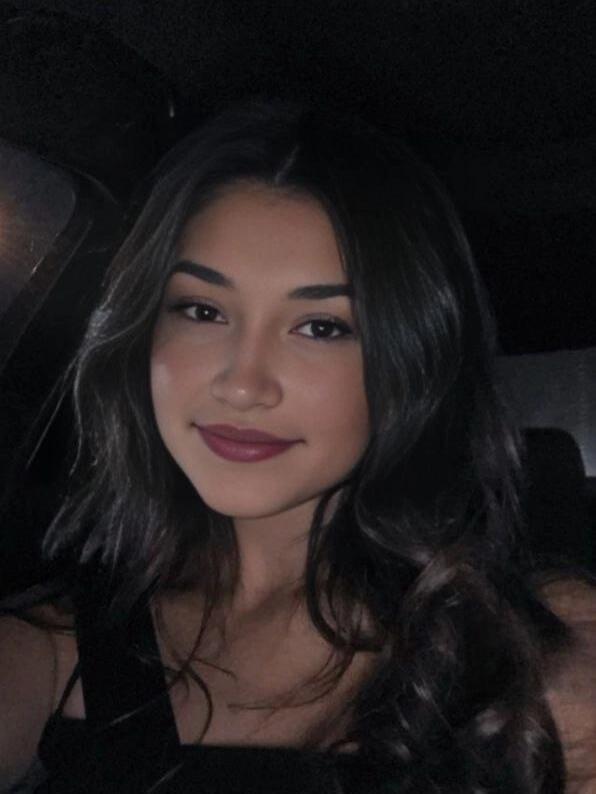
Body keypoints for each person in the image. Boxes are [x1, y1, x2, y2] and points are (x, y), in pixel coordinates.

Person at [1, 98, 595, 794]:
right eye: (202, 310)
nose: (242, 384)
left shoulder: (532, 647)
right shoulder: (49, 648)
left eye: (320, 327)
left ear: (413, 362)